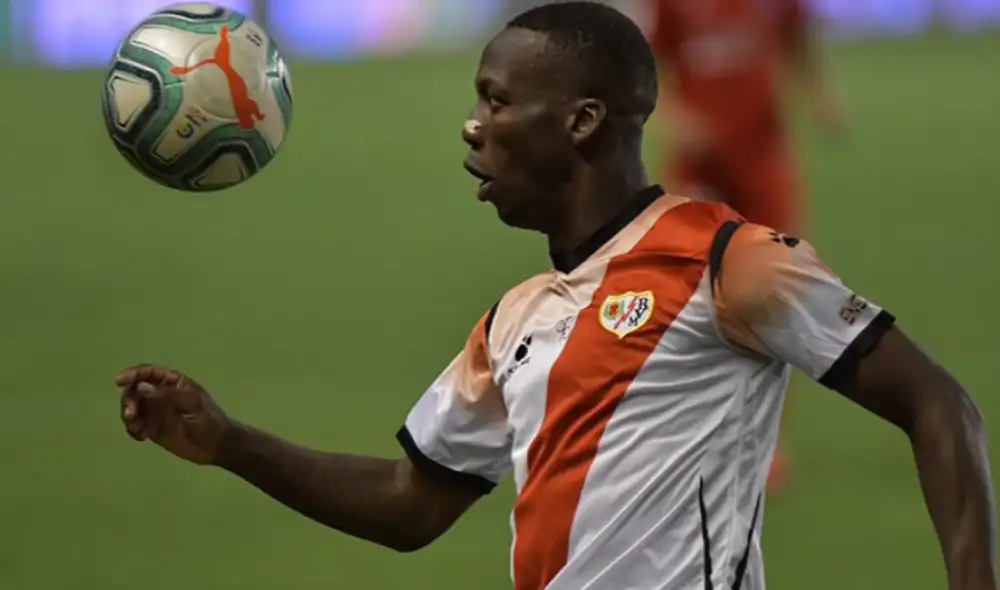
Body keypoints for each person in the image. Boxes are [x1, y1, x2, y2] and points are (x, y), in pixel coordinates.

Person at [116, 3, 995, 590]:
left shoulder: (731, 262)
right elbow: (407, 503)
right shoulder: (514, 321)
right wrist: (228, 442)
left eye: (495, 101)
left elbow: (938, 405)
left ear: (579, 122)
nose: (472, 125)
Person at [646, 0, 846, 493]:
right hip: (701, 166)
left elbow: (799, 37)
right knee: (693, 299)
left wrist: (821, 93)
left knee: (778, 296)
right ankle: (689, 436)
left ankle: (765, 441)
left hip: (763, 159)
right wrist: (674, 116)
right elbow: (651, 60)